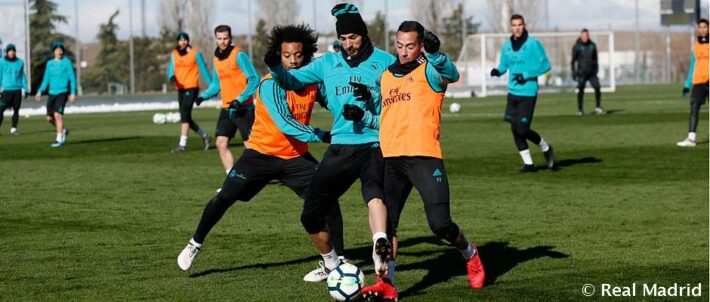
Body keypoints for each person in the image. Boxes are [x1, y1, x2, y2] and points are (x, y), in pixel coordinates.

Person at [177, 24, 344, 272]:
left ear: (306, 55)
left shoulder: (312, 82)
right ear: (278, 56)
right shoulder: (270, 84)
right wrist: (323, 134)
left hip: (295, 158)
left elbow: (333, 103)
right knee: (226, 197)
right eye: (287, 56)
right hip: (260, 155)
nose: (293, 61)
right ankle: (195, 243)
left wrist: (349, 113)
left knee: (328, 200)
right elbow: (286, 124)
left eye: (298, 55)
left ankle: (336, 262)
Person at [265, 3, 396, 282]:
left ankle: (379, 243)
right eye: (344, 39)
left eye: (354, 37)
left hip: (374, 142)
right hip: (339, 146)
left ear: (364, 34)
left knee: (373, 191)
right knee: (310, 214)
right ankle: (332, 263)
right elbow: (289, 81)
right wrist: (275, 67)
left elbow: (396, 110)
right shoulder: (327, 63)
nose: (349, 44)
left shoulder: (385, 62)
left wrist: (369, 105)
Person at [357, 21, 486, 300]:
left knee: (440, 224)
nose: (404, 52)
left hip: (425, 157)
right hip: (392, 158)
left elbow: (451, 74)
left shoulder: (429, 69)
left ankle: (470, 253)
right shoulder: (387, 76)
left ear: (421, 45)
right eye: (400, 45)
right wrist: (366, 109)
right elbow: (385, 116)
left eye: (411, 46)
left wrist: (437, 54)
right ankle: (387, 283)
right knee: (387, 226)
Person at [490, 14, 556, 172]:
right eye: (514, 25)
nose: (517, 28)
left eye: (520, 25)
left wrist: (526, 75)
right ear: (511, 27)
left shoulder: (534, 44)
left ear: (524, 25)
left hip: (528, 92)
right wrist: (497, 71)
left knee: (522, 129)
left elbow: (546, 65)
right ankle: (528, 164)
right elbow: (503, 65)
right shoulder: (506, 46)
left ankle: (546, 148)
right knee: (514, 129)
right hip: (512, 92)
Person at [197, 25, 259, 173]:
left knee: (251, 147)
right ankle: (231, 177)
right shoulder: (216, 59)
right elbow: (216, 84)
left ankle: (263, 173)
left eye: (225, 38)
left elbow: (254, 78)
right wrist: (203, 96)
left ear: (230, 38)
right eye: (219, 39)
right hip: (227, 109)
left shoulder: (239, 55)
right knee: (221, 143)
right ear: (216, 39)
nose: (222, 42)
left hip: (244, 109)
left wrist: (241, 98)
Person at [166, 32, 213, 153]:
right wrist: (172, 77)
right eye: (181, 40)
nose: (183, 42)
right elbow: (171, 69)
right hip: (180, 88)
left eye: (185, 40)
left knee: (185, 114)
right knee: (185, 116)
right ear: (178, 42)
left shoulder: (195, 53)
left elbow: (203, 69)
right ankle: (205, 136)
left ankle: (182, 145)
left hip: (191, 88)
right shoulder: (174, 54)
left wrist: (213, 85)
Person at [35, 41, 77, 147]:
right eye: (57, 50)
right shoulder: (50, 64)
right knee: (49, 118)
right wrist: (40, 91)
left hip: (62, 92)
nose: (59, 52)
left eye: (61, 50)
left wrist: (72, 92)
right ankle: (63, 130)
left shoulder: (67, 62)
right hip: (52, 93)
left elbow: (72, 78)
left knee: (58, 115)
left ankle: (59, 139)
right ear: (53, 52)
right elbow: (46, 79)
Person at [677, 19, 709, 147]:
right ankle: (691, 139)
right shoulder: (696, 46)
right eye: (700, 27)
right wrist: (687, 84)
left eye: (705, 27)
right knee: (694, 107)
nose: (702, 29)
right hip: (699, 81)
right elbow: (692, 66)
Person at [571, 28, 604, 116]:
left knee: (597, 87)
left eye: (586, 35)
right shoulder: (577, 46)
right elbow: (573, 61)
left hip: (592, 73)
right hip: (581, 73)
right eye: (583, 35)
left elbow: (596, 59)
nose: (585, 37)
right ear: (581, 36)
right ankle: (580, 110)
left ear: (588, 36)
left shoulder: (592, 45)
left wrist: (596, 70)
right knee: (581, 90)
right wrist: (573, 72)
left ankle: (598, 107)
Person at [0, 44, 29, 135]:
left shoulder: (20, 62)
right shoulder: (1, 62)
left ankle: (13, 129)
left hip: (17, 90)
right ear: (7, 52)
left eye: (13, 50)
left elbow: (22, 77)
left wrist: (26, 88)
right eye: (9, 51)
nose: (11, 52)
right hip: (6, 91)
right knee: (1, 109)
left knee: (16, 110)